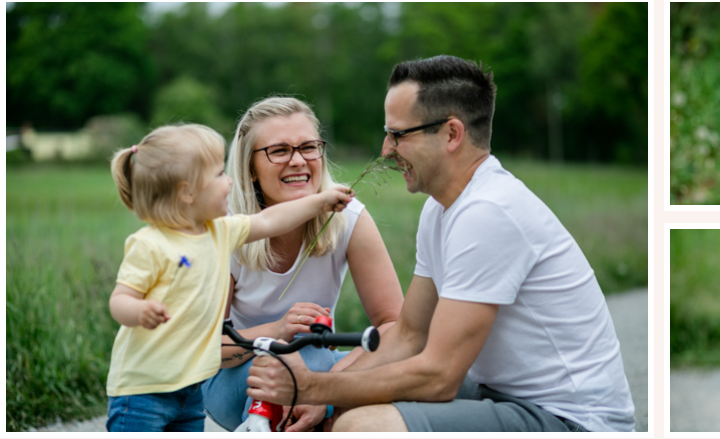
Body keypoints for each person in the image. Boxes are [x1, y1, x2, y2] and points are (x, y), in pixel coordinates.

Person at [246, 55, 636, 432]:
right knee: (344, 408)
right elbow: (408, 334)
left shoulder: (489, 212)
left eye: (398, 134)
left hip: (570, 420)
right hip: (503, 395)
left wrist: (314, 386)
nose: (385, 150)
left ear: (452, 134)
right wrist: (322, 396)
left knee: (361, 427)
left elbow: (439, 377)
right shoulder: (441, 210)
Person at [105, 124, 354, 432]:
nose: (230, 181)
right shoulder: (151, 245)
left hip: (190, 388)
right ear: (187, 192)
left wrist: (320, 202)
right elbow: (119, 301)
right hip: (143, 390)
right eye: (219, 174)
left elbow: (269, 220)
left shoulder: (220, 232)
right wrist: (140, 311)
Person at [200, 97, 404, 432]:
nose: (298, 161)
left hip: (318, 367)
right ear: (250, 167)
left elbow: (395, 326)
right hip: (230, 382)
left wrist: (327, 391)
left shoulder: (348, 219)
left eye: (309, 147)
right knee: (306, 356)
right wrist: (279, 332)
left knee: (380, 375)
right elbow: (203, 350)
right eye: (279, 151)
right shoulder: (227, 228)